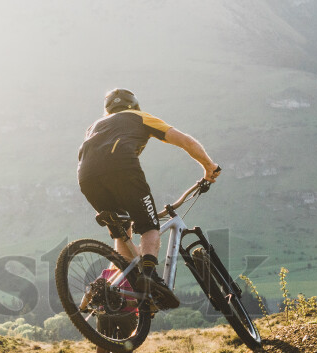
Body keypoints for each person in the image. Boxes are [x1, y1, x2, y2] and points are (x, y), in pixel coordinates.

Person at [77, 88, 221, 309]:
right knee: (149, 226)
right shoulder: (139, 117)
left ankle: (119, 284)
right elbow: (184, 140)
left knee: (122, 232)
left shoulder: (95, 126)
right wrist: (208, 166)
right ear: (133, 104)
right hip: (121, 168)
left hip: (86, 177)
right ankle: (150, 277)